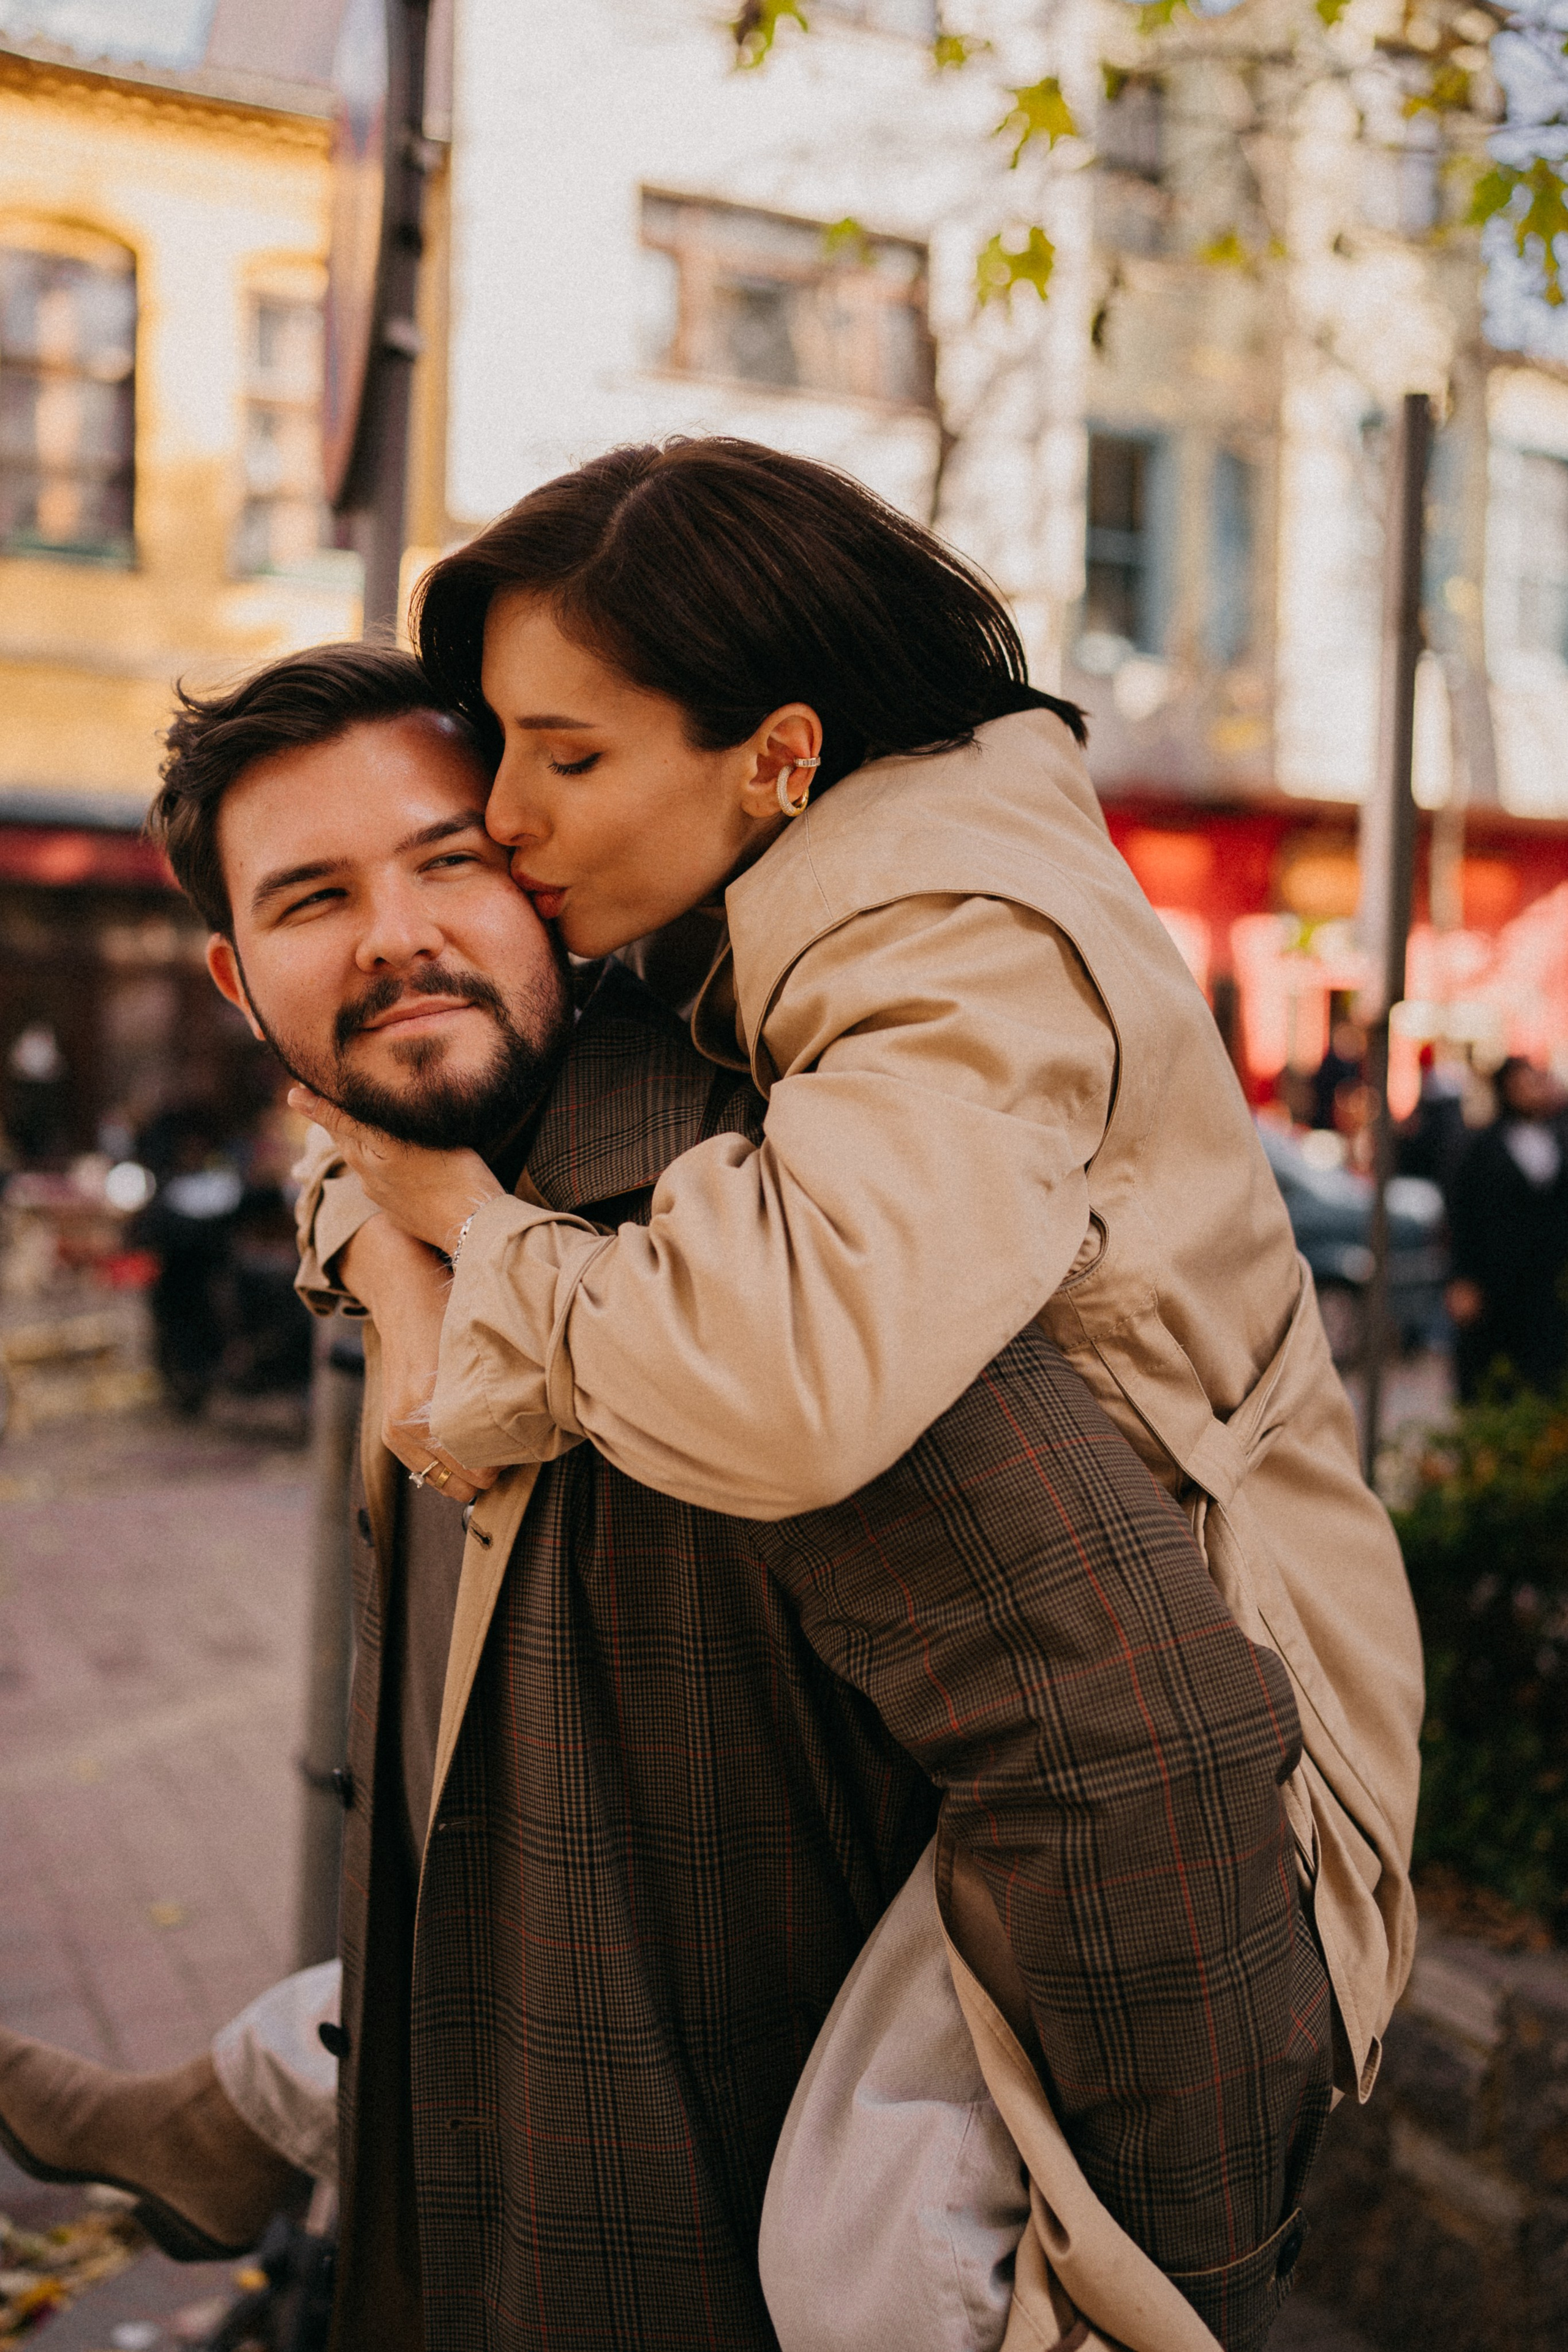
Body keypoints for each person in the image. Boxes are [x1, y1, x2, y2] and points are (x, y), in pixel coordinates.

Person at [0, 643, 1335, 2352]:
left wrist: (1146, 2296)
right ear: (237, 980)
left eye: (449, 862)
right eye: (316, 895)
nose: (398, 932)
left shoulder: (729, 1247)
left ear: (543, 881)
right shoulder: (429, 1198)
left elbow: (1153, 1749)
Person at [292, 439, 1421, 2143]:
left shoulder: (964, 932)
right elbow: (387, 1101)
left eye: (567, 754)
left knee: (877, 2263)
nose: (504, 817)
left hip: (1196, 1769)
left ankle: (269, 2105)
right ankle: (270, 2098)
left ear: (779, 755)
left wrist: (465, 1229)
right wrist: (400, 1263)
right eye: (501, 746)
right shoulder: (716, 906)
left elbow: (785, 1376)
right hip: (926, 1704)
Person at [1447, 1055, 1568, 1401]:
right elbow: (1463, 1217)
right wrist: (1463, 1277)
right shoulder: (1480, 1149)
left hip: (1545, 1289)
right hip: (1495, 1286)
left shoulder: (1558, 1139)